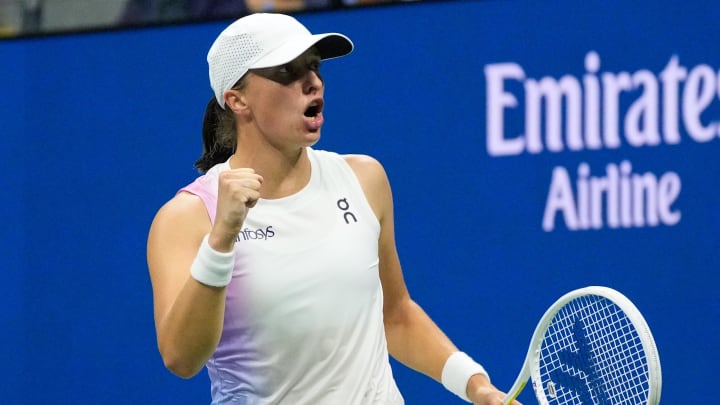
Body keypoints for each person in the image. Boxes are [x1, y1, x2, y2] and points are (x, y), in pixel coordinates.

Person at [147, 12, 522, 405]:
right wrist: (222, 239)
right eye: (287, 72)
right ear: (237, 100)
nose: (312, 81)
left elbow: (395, 315)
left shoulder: (363, 178)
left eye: (313, 67)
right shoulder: (188, 218)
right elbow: (180, 358)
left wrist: (476, 385)